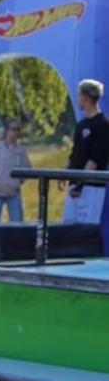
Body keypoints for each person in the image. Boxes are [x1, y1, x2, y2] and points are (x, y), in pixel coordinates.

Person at [65, 79, 109, 253]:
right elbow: (76, 154)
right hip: (75, 184)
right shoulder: (81, 124)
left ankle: (87, 261)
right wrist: (66, 176)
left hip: (91, 187)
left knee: (87, 228)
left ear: (85, 98)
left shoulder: (103, 125)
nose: (78, 99)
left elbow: (94, 159)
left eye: (79, 96)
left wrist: (80, 184)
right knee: (69, 225)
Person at [0, 120, 31, 223]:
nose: (15, 133)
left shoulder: (21, 150)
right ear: (7, 131)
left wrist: (19, 181)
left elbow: (28, 168)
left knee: (17, 223)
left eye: (18, 130)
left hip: (14, 192)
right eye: (13, 129)